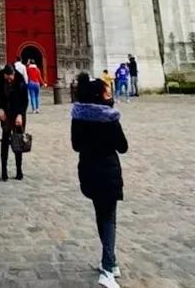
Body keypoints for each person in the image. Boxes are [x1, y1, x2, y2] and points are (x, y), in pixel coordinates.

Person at [73, 74, 129, 287]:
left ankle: (111, 261)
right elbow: (123, 147)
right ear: (100, 95)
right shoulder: (110, 118)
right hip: (108, 171)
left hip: (88, 169)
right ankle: (107, 269)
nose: (110, 95)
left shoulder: (78, 116)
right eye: (108, 92)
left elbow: (76, 145)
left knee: (101, 215)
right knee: (109, 218)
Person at [0, 62, 29, 181]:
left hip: (18, 112)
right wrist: (0, 109)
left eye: (11, 77)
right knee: (5, 140)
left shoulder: (20, 79)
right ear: (4, 75)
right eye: (7, 77)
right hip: (6, 113)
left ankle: (19, 170)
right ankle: (4, 171)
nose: (9, 79)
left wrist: (20, 115)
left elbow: (24, 100)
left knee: (18, 141)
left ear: (14, 74)